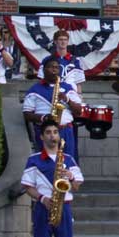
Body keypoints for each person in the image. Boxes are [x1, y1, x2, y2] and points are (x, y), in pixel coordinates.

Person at [21, 118, 83, 237]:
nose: (52, 136)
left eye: (55, 132)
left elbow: (77, 185)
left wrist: (70, 176)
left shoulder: (68, 159)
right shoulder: (34, 159)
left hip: (63, 207)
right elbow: (27, 186)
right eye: (48, 132)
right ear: (41, 137)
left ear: (59, 135)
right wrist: (42, 199)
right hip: (43, 208)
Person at [23, 59, 84, 163]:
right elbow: (27, 114)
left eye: (56, 67)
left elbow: (79, 111)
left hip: (65, 131)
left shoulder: (67, 87)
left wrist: (67, 100)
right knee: (47, 164)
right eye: (51, 67)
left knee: (68, 163)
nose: (54, 70)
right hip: (46, 131)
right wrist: (44, 118)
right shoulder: (35, 90)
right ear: (44, 70)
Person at [37, 31, 86, 160]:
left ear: (68, 41)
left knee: (71, 138)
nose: (63, 42)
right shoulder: (48, 60)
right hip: (53, 99)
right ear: (55, 41)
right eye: (60, 39)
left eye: (65, 39)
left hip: (70, 101)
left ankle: (72, 170)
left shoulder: (75, 61)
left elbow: (79, 84)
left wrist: (78, 99)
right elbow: (41, 81)